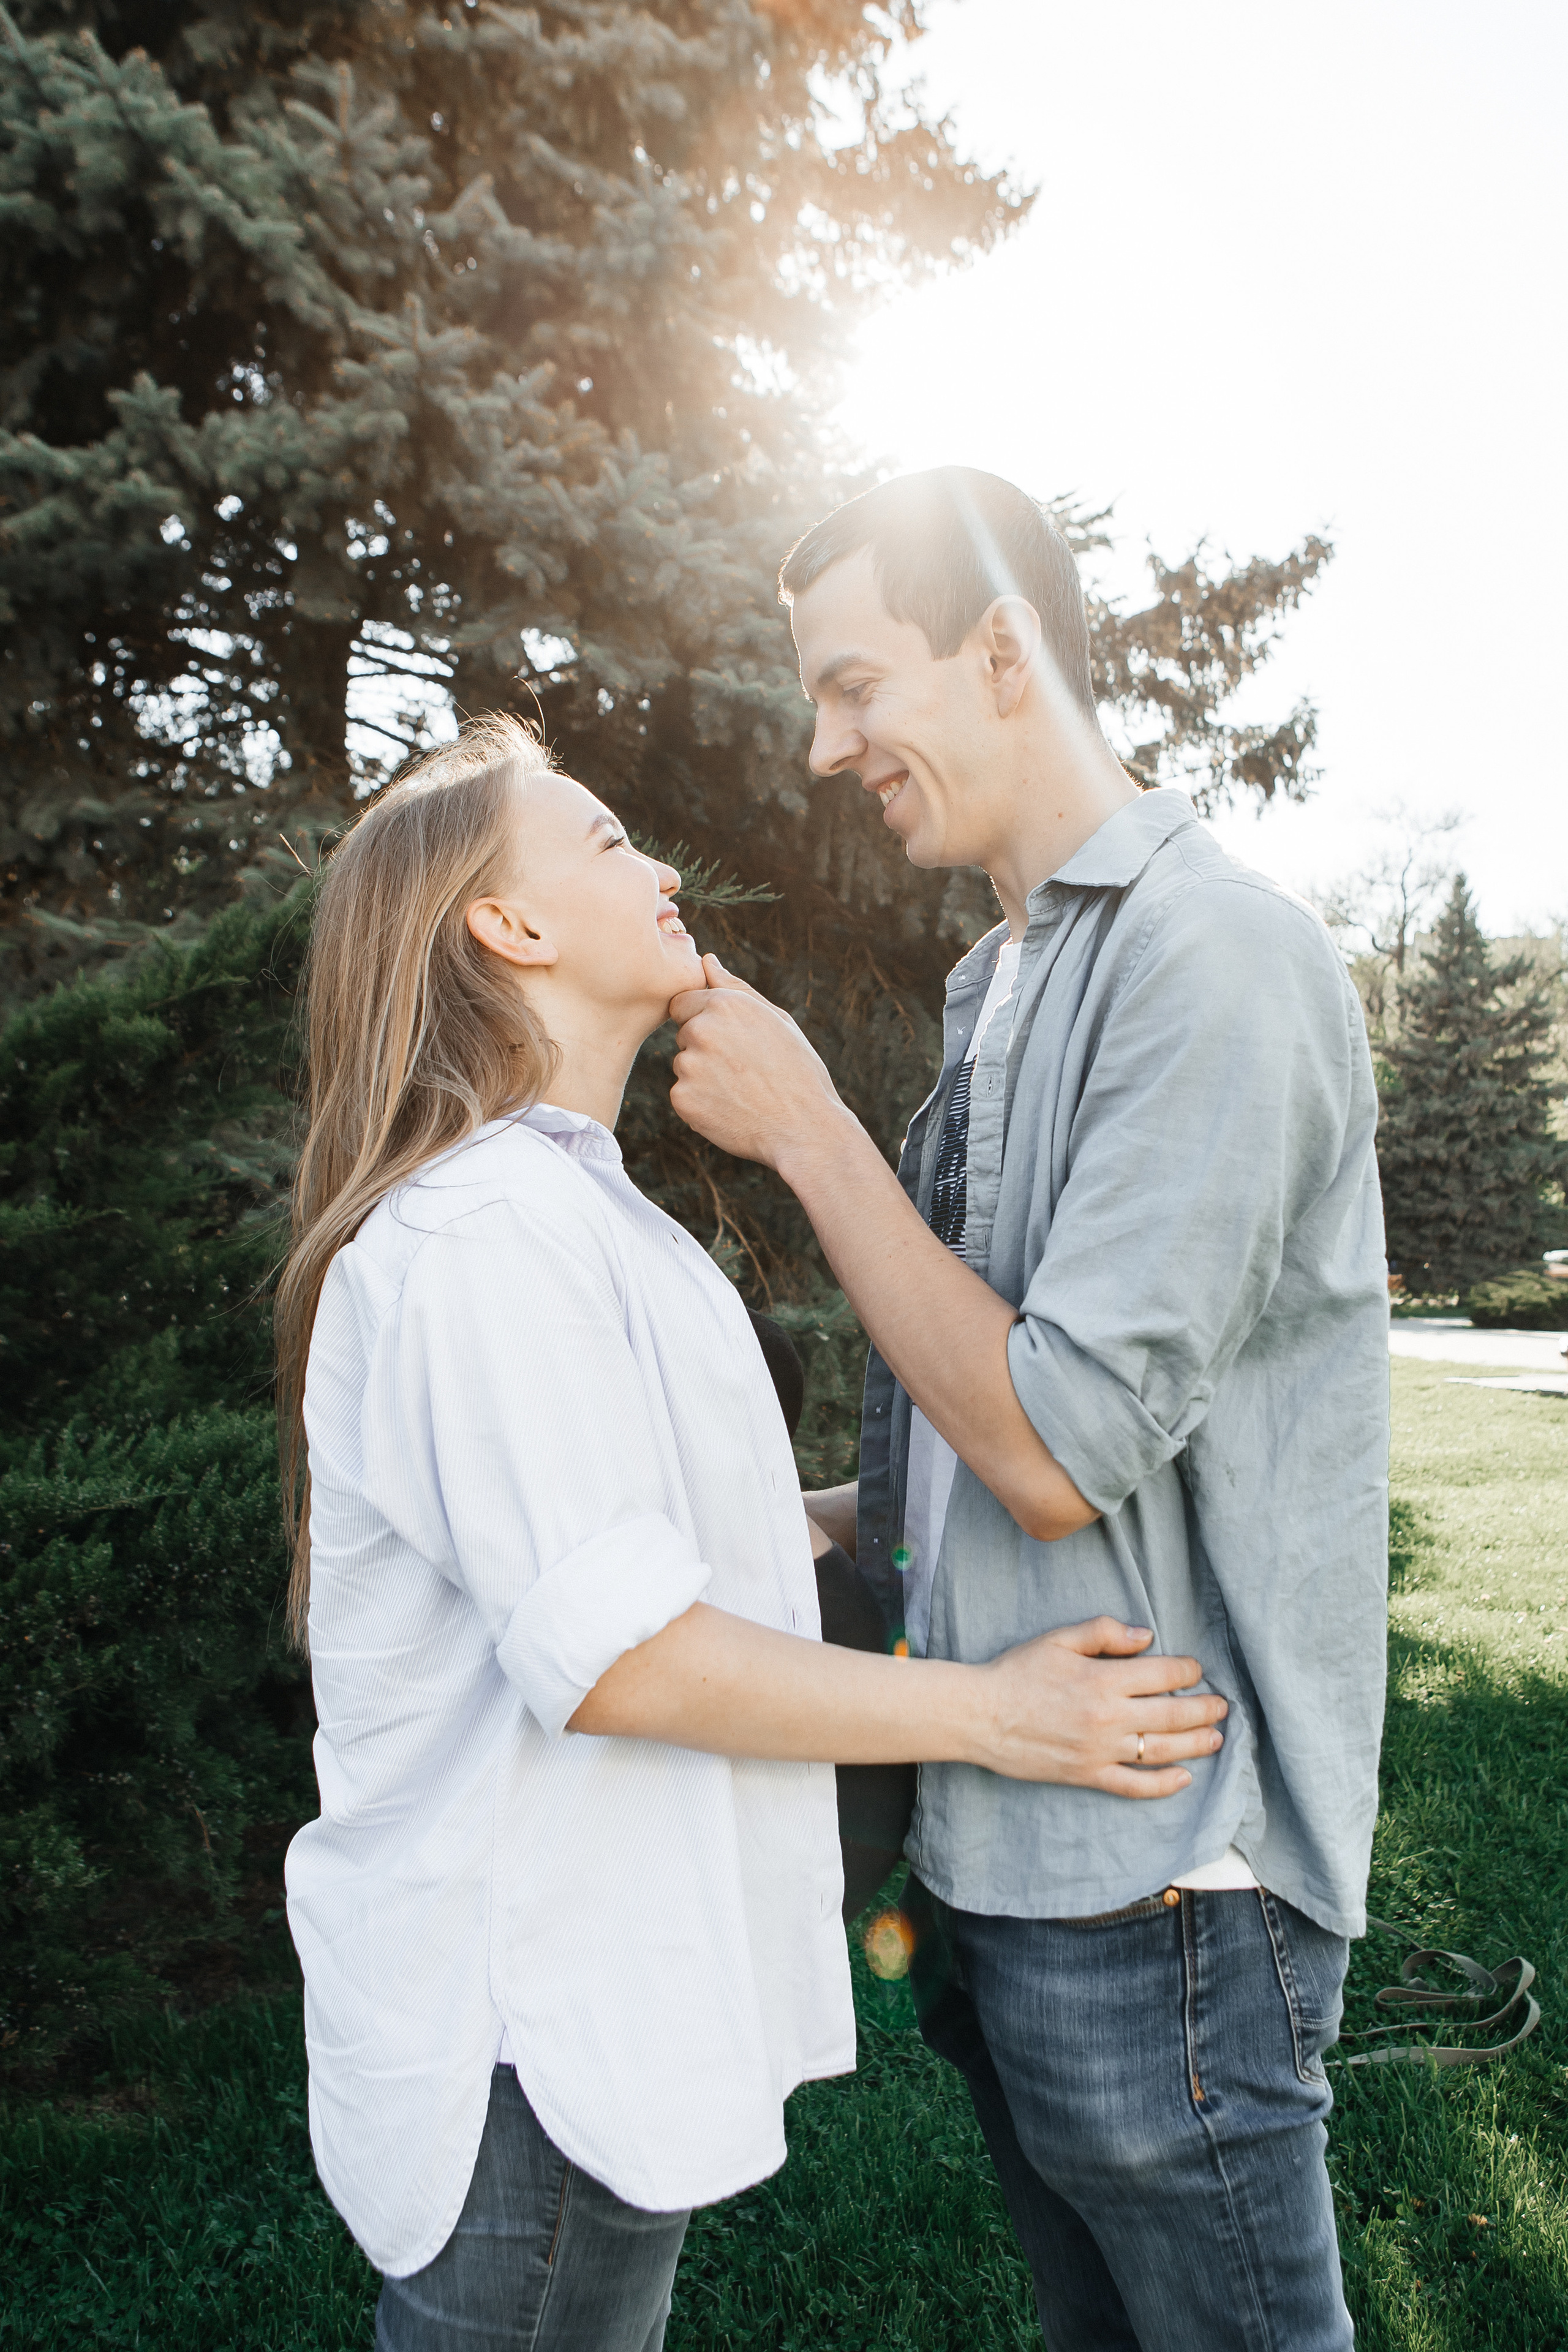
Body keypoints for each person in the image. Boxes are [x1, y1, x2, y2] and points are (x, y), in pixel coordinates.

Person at [275, 712, 1229, 2352]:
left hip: (586, 2005)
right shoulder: (484, 1234)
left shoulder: (574, 1207)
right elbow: (627, 1654)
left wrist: (992, 1488)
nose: (658, 869)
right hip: (526, 2042)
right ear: (507, 929)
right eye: (599, 842)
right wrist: (1008, 1717)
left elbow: (685, 1538)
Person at [666, 467, 1390, 2352]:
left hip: (1164, 1875)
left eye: (852, 687)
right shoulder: (1007, 976)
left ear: (1002, 652)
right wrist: (816, 1515)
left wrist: (818, 1135)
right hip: (1004, 1850)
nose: (826, 748)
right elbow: (981, 1386)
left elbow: (1059, 1449)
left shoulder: (1211, 956)